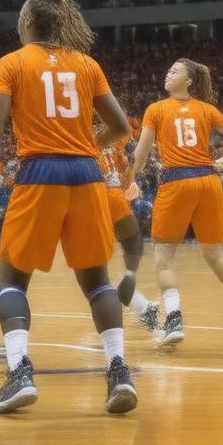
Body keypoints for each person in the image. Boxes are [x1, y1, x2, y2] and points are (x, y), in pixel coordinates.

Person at [0, 0, 138, 416]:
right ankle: (119, 371)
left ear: (29, 21)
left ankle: (19, 372)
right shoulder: (87, 64)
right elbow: (121, 127)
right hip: (87, 175)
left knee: (11, 278)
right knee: (98, 281)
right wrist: (86, 143)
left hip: (40, 173)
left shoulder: (11, 63)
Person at [127, 58, 223, 349]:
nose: (168, 73)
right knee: (214, 254)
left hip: (177, 182)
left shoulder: (156, 109)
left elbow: (141, 153)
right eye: (168, 70)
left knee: (164, 255)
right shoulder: (206, 109)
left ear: (189, 80)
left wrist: (129, 179)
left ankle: (173, 320)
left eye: (174, 71)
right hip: (209, 183)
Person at [102, 140, 159, 333]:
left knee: (94, 274)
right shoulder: (112, 141)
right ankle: (142, 306)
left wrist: (131, 165)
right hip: (109, 197)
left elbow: (125, 181)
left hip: (100, 199)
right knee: (130, 245)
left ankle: (141, 307)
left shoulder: (109, 144)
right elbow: (125, 181)